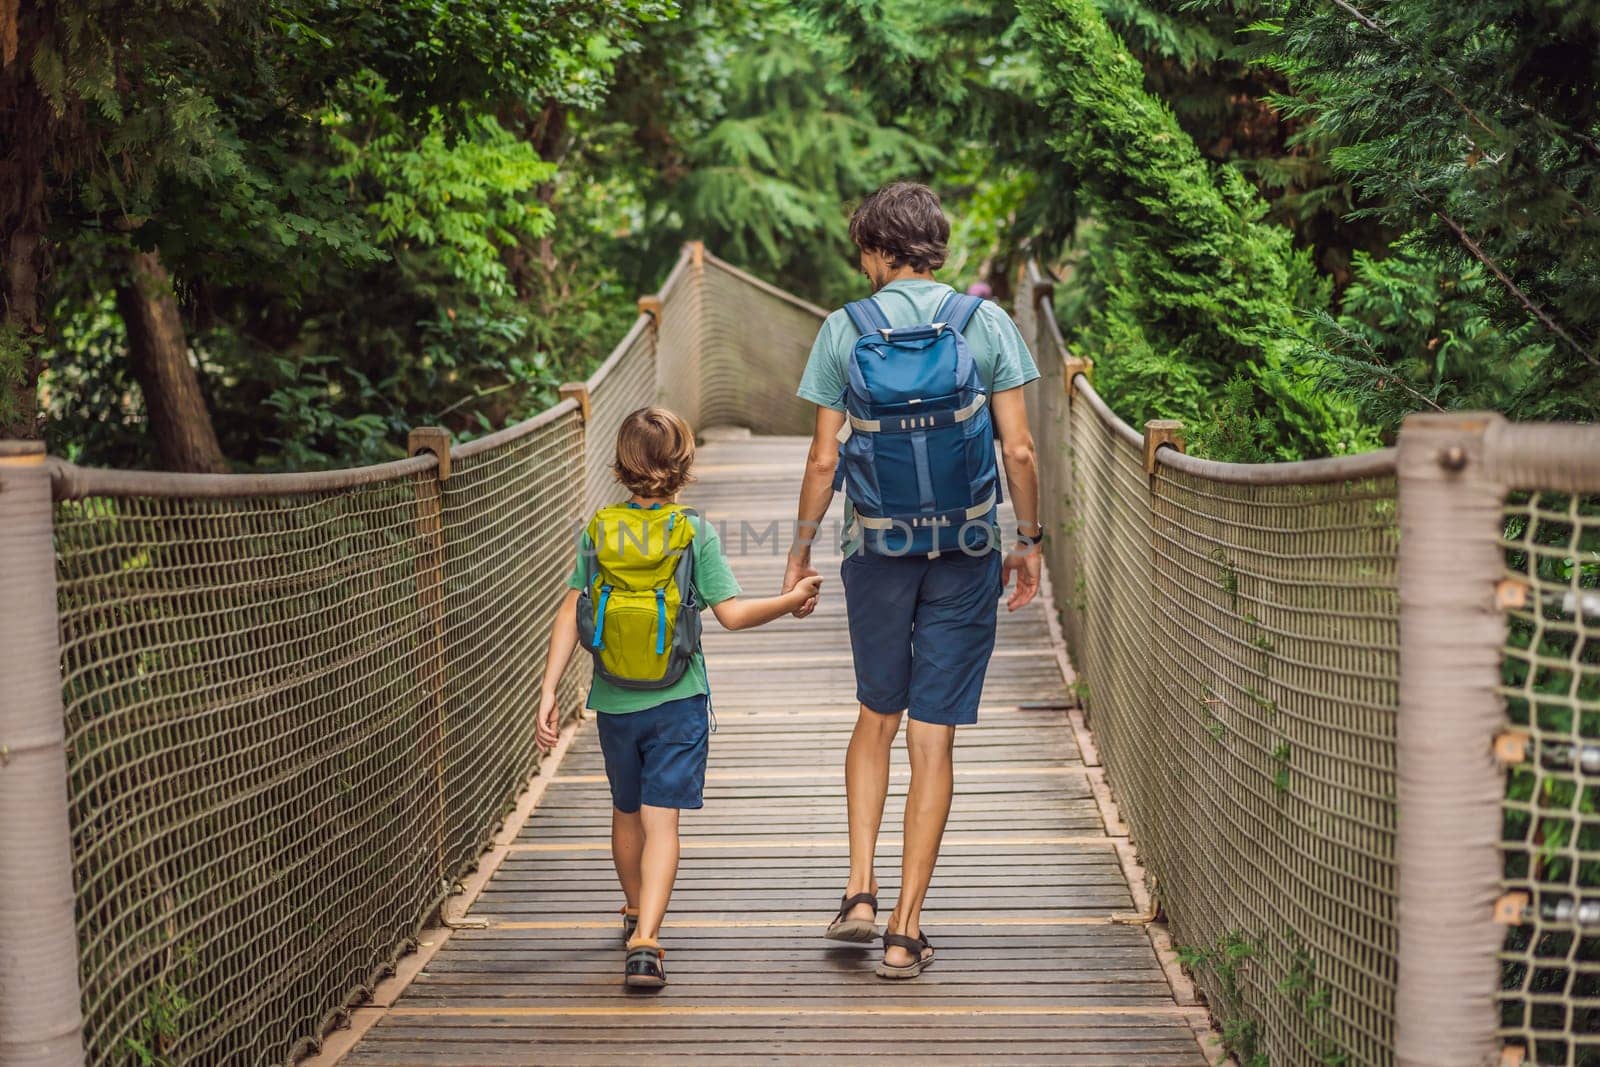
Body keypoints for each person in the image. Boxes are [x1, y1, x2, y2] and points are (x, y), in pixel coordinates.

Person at [783, 181, 1043, 979]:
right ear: (936, 245)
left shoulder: (843, 329)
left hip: (876, 549)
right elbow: (1021, 451)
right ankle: (904, 929)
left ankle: (858, 891)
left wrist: (799, 551)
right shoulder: (985, 321)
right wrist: (1026, 542)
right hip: (965, 548)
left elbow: (825, 458)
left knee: (877, 715)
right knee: (934, 735)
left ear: (873, 249)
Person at [536, 406, 823, 989]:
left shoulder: (597, 530)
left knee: (625, 811)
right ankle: (646, 941)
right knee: (660, 821)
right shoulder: (693, 532)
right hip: (678, 698)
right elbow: (734, 616)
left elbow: (571, 608)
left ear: (621, 464)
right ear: (683, 466)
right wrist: (790, 599)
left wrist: (548, 691)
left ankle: (634, 908)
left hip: (614, 700)